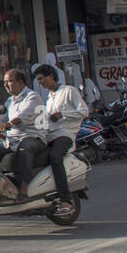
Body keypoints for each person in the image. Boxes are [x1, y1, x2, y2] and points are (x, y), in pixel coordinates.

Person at [36, 64, 87, 201]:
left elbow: (84, 111)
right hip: (51, 135)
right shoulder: (49, 98)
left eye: (41, 79)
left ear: (51, 76)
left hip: (65, 135)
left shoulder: (69, 91)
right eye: (38, 80)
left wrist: (62, 114)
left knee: (55, 157)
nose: (40, 82)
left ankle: (65, 199)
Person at [0, 69, 47, 200]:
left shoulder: (33, 97)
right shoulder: (10, 101)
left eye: (10, 81)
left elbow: (23, 116)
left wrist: (8, 125)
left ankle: (24, 188)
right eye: (5, 82)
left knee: (25, 148)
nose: (6, 85)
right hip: (12, 140)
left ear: (21, 82)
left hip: (34, 137)